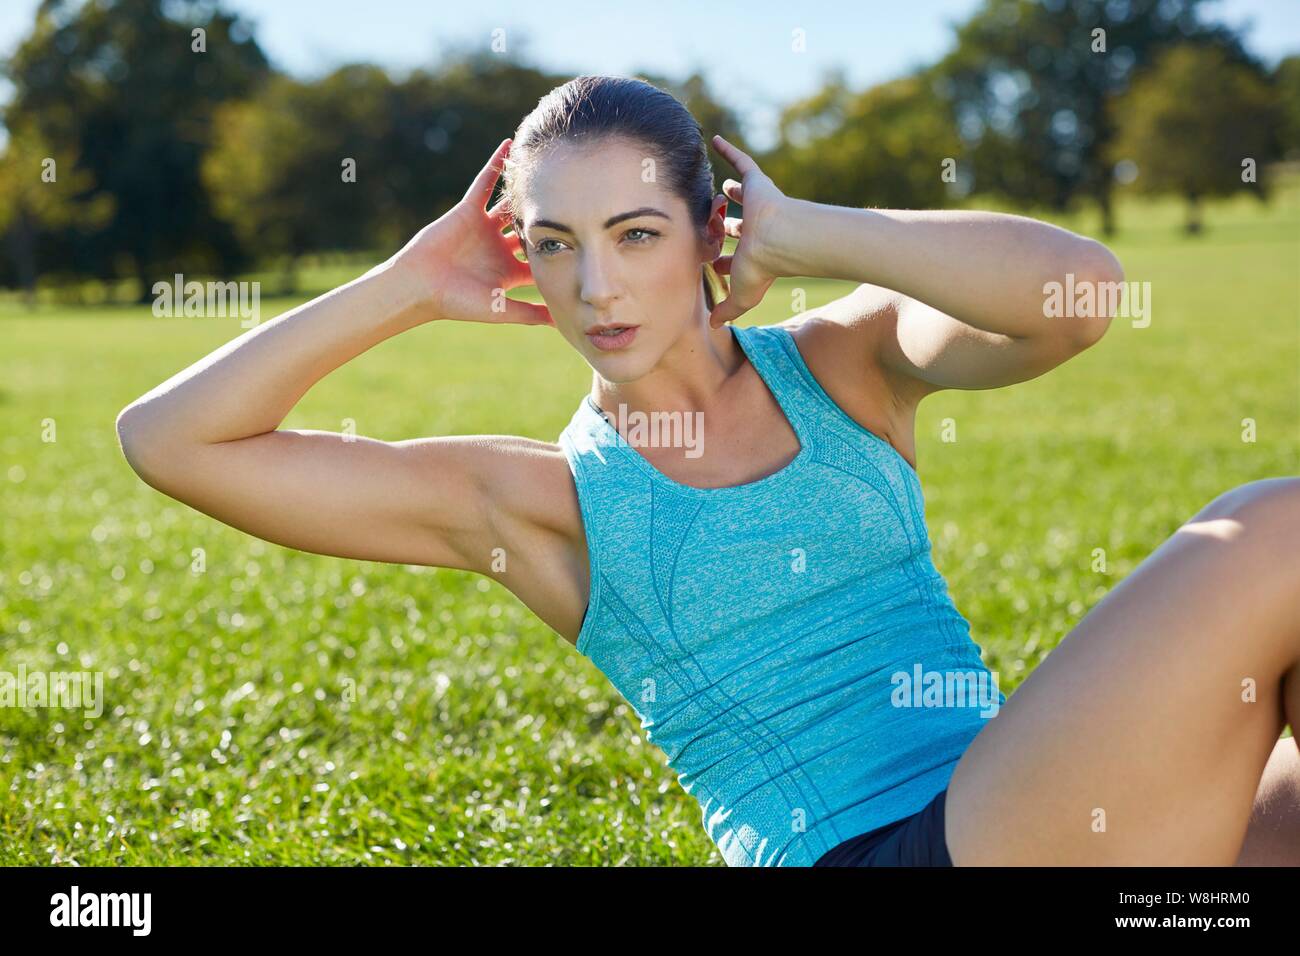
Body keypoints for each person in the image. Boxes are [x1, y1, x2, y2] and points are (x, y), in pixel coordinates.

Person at [116, 75, 1300, 867]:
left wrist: (812, 235)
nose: (596, 286)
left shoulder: (845, 366)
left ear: (706, 234)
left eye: (635, 234)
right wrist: (409, 283)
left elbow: (1080, 296)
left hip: (1024, 813)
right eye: (553, 243)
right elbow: (167, 440)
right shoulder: (536, 505)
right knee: (1273, 529)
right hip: (874, 852)